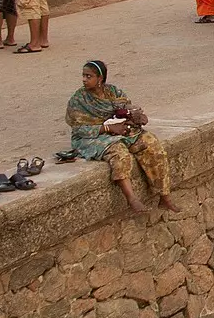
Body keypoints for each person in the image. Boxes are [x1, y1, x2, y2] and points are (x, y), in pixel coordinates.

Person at [65, 60, 174, 212]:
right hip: (93, 136)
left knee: (152, 144)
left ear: (100, 79)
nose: (84, 79)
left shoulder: (113, 92)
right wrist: (107, 128)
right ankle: (132, 199)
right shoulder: (79, 99)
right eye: (83, 76)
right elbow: (78, 129)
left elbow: (126, 107)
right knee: (120, 154)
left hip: (120, 131)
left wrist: (135, 116)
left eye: (88, 76)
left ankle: (164, 196)